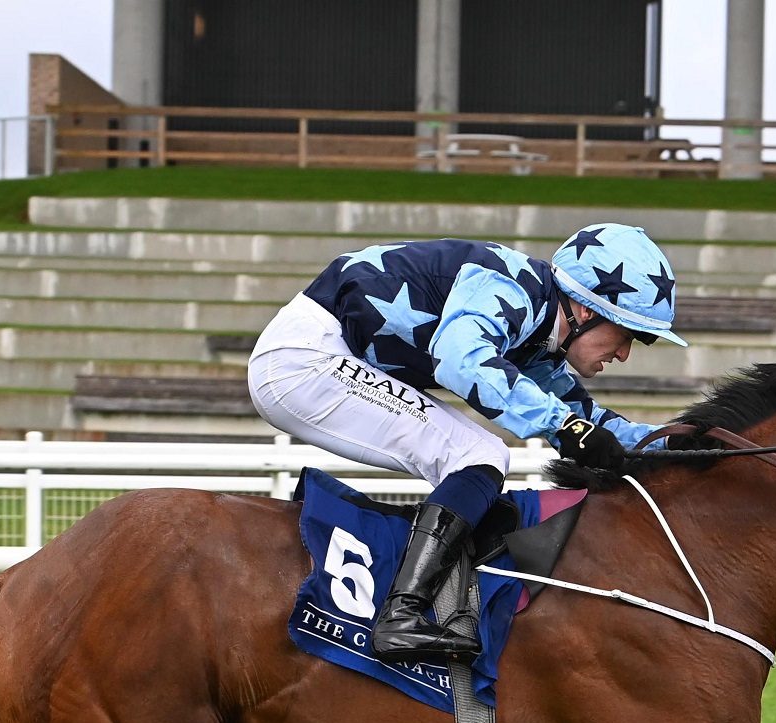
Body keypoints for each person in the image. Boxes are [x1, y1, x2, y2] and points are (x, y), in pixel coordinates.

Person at [248, 223, 685, 664]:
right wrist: (566, 427)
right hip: (305, 360)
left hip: (319, 359)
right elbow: (463, 360)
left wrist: (670, 443)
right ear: (587, 311)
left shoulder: (537, 333)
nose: (625, 353)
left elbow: (584, 418)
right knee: (479, 455)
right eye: (628, 334)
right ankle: (401, 616)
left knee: (476, 462)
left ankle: (438, 598)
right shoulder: (510, 287)